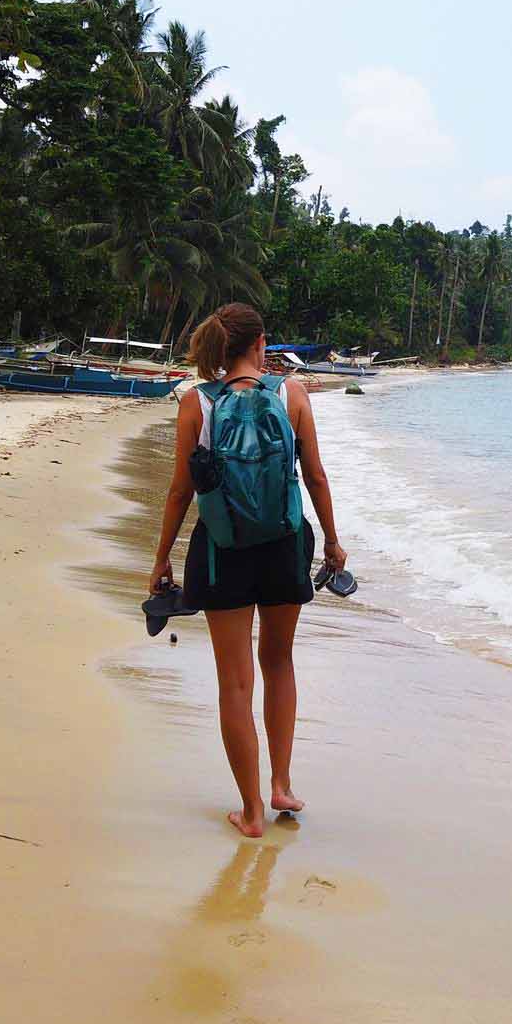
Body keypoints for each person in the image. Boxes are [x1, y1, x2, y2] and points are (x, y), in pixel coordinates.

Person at [150, 302, 346, 838]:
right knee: (278, 661)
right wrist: (331, 542)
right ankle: (282, 785)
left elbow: (179, 491)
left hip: (222, 552)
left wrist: (162, 556)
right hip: (285, 548)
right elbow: (316, 478)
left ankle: (252, 810)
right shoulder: (292, 395)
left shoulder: (197, 403)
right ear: (261, 345)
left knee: (235, 683)